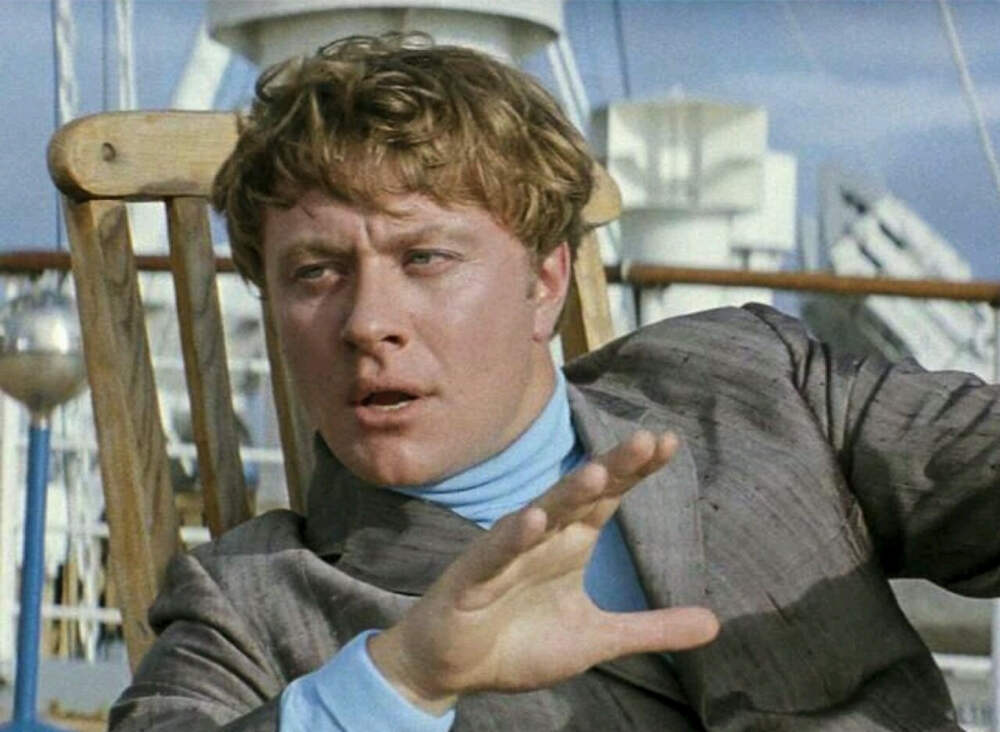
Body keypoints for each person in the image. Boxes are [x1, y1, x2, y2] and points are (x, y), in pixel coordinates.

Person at [109, 33, 1000, 731]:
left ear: (544, 282)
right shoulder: (252, 603)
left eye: (424, 258)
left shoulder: (750, 381)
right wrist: (401, 682)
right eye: (315, 272)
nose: (366, 321)